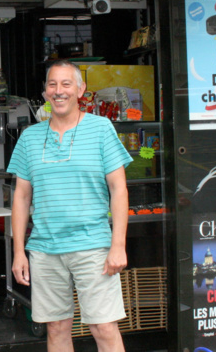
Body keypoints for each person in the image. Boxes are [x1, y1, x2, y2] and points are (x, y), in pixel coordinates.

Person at [7, 59, 133, 352]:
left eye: (66, 84)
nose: (58, 91)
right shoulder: (30, 137)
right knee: (56, 328)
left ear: (80, 89)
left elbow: (119, 189)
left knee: (104, 327)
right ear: (45, 91)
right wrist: (18, 252)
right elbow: (21, 197)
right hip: (45, 249)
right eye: (52, 84)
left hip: (93, 246)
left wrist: (118, 245)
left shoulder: (101, 129)